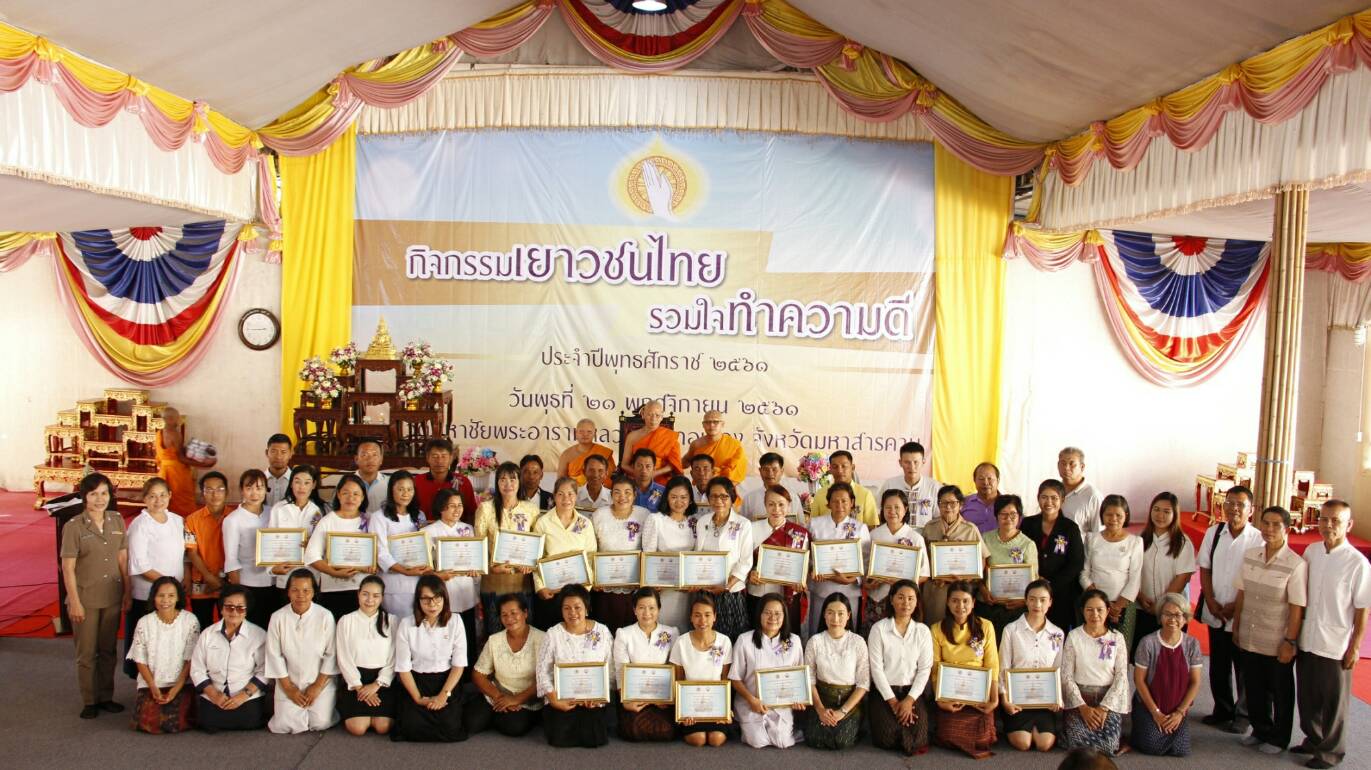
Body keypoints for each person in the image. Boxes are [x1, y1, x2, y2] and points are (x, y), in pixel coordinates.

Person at [1293, 499, 1370, 769]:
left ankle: (1330, 752)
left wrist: (1355, 646)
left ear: (1349, 525)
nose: (1328, 525)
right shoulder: (1312, 551)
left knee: (1333, 702)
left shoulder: (1357, 563)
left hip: (1335, 643)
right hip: (1308, 636)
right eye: (1324, 519)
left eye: (1335, 520)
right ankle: (1313, 739)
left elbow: (1362, 609)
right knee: (1307, 696)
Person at [1232, 504, 1307, 755]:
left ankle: (1279, 738)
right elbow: (1242, 593)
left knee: (1280, 691)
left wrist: (1290, 641)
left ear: (1287, 529)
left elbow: (1296, 607)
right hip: (1251, 634)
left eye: (1276, 525)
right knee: (1254, 686)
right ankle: (1260, 730)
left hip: (1277, 639)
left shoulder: (1295, 564)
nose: (1269, 529)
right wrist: (1237, 626)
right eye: (1266, 523)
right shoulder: (1251, 555)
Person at [60, 473, 130, 719]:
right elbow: (67, 568)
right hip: (85, 599)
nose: (100, 499)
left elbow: (123, 560)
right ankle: (90, 700)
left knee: (108, 650)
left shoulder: (117, 521)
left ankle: (106, 696)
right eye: (93, 494)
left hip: (112, 596)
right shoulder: (74, 526)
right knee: (87, 652)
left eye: (104, 493)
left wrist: (128, 592)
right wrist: (74, 602)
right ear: (84, 497)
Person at [1197, 484, 1262, 733]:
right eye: (1229, 503)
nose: (1234, 508)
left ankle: (1243, 715)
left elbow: (1257, 578)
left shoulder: (1257, 539)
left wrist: (1236, 606)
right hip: (1216, 609)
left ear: (1251, 510)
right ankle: (1222, 710)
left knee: (1244, 668)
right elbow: (1205, 568)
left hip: (1242, 613)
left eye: (1240, 504)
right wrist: (1210, 600)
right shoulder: (1214, 533)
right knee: (1219, 665)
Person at [393, 574, 468, 742]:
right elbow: (403, 668)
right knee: (412, 726)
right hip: (417, 681)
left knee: (450, 727)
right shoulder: (406, 624)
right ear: (418, 601)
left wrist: (443, 695)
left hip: (446, 681)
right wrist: (418, 698)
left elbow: (458, 665)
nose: (432, 604)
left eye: (437, 598)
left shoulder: (455, 621)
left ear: (444, 598)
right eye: (426, 599)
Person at [537, 584, 613, 747]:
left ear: (587, 608)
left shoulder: (602, 632)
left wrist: (599, 696)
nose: (572, 612)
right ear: (561, 610)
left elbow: (611, 668)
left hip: (592, 699)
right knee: (560, 737)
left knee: (594, 736)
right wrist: (554, 700)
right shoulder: (553, 634)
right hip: (561, 698)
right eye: (567, 608)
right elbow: (542, 671)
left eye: (577, 607)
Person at [125, 477, 186, 678]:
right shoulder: (140, 524)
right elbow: (140, 564)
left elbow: (184, 553)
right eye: (152, 496)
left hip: (173, 593)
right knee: (147, 643)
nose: (158, 501)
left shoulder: (177, 520)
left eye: (162, 495)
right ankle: (143, 682)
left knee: (169, 642)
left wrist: (180, 582)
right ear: (144, 499)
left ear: (170, 496)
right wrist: (169, 586)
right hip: (148, 594)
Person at [931, 581, 1000, 758]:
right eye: (955, 601)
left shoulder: (986, 626)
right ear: (947, 602)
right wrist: (940, 701)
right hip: (950, 694)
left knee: (983, 739)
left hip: (979, 694)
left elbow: (992, 664)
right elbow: (935, 668)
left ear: (973, 603)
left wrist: (994, 699)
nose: (960, 606)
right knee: (948, 735)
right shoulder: (937, 629)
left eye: (965, 601)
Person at [265, 569, 338, 733]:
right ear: (288, 592)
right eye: (295, 590)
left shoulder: (325, 616)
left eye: (306, 590)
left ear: (314, 592)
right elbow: (274, 655)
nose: (301, 595)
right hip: (288, 681)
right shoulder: (278, 617)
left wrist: (317, 686)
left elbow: (331, 654)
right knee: (284, 725)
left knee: (320, 723)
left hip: (320, 681)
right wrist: (289, 688)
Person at [1130, 592, 1203, 756]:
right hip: (1149, 705)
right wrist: (1155, 712)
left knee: (1181, 750)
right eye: (1167, 614)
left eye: (1178, 615)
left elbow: (1195, 682)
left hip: (1177, 708)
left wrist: (1180, 712)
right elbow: (1139, 680)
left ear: (1185, 618)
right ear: (1160, 617)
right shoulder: (1147, 642)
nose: (1172, 619)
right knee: (1151, 746)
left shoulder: (1192, 644)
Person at [731, 593, 807, 748]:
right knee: (758, 742)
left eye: (778, 613)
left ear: (784, 616)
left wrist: (800, 698)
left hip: (782, 705)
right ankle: (744, 727)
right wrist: (751, 700)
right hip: (751, 703)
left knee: (782, 742)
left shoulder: (794, 641)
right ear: (760, 614)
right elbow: (735, 678)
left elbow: (799, 677)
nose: (773, 617)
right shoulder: (745, 640)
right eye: (768, 613)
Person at [867, 580, 933, 756]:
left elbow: (925, 669)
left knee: (919, 738)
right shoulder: (878, 629)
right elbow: (876, 669)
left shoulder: (922, 631)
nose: (906, 603)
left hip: (912, 692)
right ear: (891, 600)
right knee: (886, 738)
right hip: (885, 692)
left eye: (911, 598)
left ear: (917, 602)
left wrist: (909, 701)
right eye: (901, 597)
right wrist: (894, 702)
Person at [475, 461, 541, 636]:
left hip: (522, 583)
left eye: (512, 479)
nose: (508, 484)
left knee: (524, 634)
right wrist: (491, 568)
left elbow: (538, 545)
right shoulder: (485, 509)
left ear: (519, 482)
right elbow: (478, 547)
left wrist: (531, 564)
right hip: (493, 583)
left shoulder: (531, 509)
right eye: (503, 479)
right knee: (495, 635)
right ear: (497, 482)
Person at [127, 576, 200, 733]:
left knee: (177, 723)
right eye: (161, 595)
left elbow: (191, 660)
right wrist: (153, 686)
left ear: (178, 597)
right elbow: (140, 659)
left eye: (171, 595)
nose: (165, 600)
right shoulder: (144, 622)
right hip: (152, 683)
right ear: (153, 597)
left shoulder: (190, 620)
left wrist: (175, 689)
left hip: (181, 683)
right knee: (149, 723)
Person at [1061, 589, 1130, 756]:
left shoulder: (1117, 638)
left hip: (1108, 701)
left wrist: (1104, 708)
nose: (1095, 615)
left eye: (1100, 609)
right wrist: (1083, 707)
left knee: (1109, 746)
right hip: (1080, 700)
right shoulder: (1074, 636)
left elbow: (1121, 676)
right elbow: (1066, 676)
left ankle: (1113, 740)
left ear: (1108, 610)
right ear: (1082, 611)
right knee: (1078, 744)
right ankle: (1069, 734)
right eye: (1089, 610)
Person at [999, 579, 1065, 752]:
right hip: (1016, 700)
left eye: (1043, 600)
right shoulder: (1011, 630)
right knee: (1023, 743)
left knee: (1044, 745)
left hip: (1044, 701)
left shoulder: (1057, 633)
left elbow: (1058, 669)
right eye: (1032, 599)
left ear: (1050, 602)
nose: (1037, 604)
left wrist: (1057, 698)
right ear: (1026, 601)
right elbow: (1003, 668)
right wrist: (1005, 701)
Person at [467, 593, 546, 737]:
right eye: (504, 615)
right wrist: (499, 697)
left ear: (525, 613)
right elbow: (478, 674)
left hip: (527, 697)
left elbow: (545, 678)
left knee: (514, 727)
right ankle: (500, 709)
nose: (509, 619)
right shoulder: (494, 640)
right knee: (471, 723)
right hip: (498, 693)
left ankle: (502, 713)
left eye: (514, 613)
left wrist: (516, 700)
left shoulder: (542, 638)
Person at [190, 585, 268, 732]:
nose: (234, 612)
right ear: (221, 609)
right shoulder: (207, 634)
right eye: (229, 607)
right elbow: (197, 669)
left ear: (246, 610)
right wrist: (214, 694)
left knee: (250, 722)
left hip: (246, 695)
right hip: (214, 693)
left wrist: (243, 696)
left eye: (240, 608)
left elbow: (264, 670)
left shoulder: (259, 635)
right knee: (208, 723)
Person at [307, 474, 378, 619]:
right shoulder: (327, 521)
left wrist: (375, 565)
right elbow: (312, 556)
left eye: (356, 494)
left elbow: (380, 553)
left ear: (363, 497)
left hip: (364, 590)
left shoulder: (371, 520)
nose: (351, 498)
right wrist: (334, 572)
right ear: (338, 494)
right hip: (333, 590)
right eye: (346, 493)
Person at [691, 476, 755, 639]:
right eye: (713, 496)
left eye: (724, 496)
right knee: (706, 635)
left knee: (731, 636)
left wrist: (727, 586)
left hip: (731, 592)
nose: (718, 501)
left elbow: (746, 561)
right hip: (705, 592)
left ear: (732, 498)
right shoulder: (702, 522)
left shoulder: (743, 524)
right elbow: (697, 555)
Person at [612, 587, 679, 741]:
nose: (647, 613)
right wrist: (625, 701)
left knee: (666, 730)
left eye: (652, 608)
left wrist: (669, 698)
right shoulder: (624, 634)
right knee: (634, 731)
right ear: (634, 610)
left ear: (659, 609)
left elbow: (676, 669)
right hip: (634, 696)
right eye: (641, 607)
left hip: (662, 698)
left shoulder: (671, 633)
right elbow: (620, 670)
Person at [803, 594, 869, 749]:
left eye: (841, 613)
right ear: (824, 615)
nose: (835, 618)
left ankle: (856, 725)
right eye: (830, 613)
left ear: (848, 615)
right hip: (822, 699)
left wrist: (842, 712)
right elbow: (809, 678)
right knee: (814, 738)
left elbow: (863, 683)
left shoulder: (858, 642)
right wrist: (820, 709)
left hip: (848, 702)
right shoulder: (815, 641)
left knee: (842, 740)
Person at [532, 477, 599, 629]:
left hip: (579, 593)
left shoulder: (585, 523)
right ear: (554, 496)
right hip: (552, 593)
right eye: (561, 494)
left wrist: (585, 589)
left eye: (570, 494)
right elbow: (536, 558)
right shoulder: (543, 523)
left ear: (576, 496)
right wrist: (540, 587)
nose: (566, 499)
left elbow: (591, 556)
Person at [669, 593, 733, 747]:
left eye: (707, 615)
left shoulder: (724, 641)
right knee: (698, 739)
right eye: (697, 615)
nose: (702, 621)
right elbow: (677, 680)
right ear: (691, 617)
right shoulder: (681, 642)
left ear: (715, 617)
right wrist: (682, 710)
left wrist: (726, 709)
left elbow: (726, 680)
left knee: (716, 739)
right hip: (690, 706)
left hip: (716, 705)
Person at [335, 576, 396, 736]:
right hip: (356, 680)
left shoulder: (391, 621)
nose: (370, 600)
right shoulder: (346, 620)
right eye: (365, 594)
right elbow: (343, 658)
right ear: (358, 594)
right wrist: (359, 687)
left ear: (382, 598)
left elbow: (394, 657)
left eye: (376, 596)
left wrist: (377, 684)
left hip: (383, 681)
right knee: (358, 728)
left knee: (383, 727)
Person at [1023, 479, 1086, 632]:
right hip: (1033, 590)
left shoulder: (1070, 527)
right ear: (1038, 498)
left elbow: (1076, 563)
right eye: (1044, 497)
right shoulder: (1027, 523)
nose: (1049, 502)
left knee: (1057, 635)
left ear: (1062, 500)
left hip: (1062, 593)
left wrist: (1050, 584)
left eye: (1054, 498)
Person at [808, 482, 871, 635]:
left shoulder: (860, 528)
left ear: (852, 503)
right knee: (818, 631)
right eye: (835, 501)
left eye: (844, 501)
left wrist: (852, 579)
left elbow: (866, 561)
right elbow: (807, 555)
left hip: (849, 590)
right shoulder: (814, 524)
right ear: (828, 503)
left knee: (848, 633)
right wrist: (812, 570)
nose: (840, 505)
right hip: (821, 588)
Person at [1136, 491, 1196, 652]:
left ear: (1175, 515)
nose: (1160, 515)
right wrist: (1140, 596)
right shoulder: (1142, 539)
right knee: (1143, 655)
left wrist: (1161, 604)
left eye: (1166, 511)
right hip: (1143, 607)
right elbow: (1133, 572)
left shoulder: (1182, 542)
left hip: (1172, 611)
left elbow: (1182, 577)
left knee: (1169, 655)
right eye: (1156, 509)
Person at [423, 488, 481, 654]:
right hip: (444, 590)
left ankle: (468, 668)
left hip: (466, 589)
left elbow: (475, 557)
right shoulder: (429, 531)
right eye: (452, 506)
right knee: (446, 638)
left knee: (467, 637)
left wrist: (476, 572)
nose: (457, 510)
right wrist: (438, 575)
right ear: (441, 508)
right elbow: (424, 568)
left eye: (460, 505)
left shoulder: (468, 529)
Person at [1081, 494, 1142, 649]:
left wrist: (1117, 606)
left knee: (1120, 651)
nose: (1113, 519)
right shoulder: (1092, 538)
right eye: (1108, 514)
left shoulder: (1135, 542)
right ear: (1102, 515)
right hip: (1094, 604)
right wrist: (1101, 602)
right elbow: (1084, 573)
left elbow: (1135, 578)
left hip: (1123, 606)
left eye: (1118, 515)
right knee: (1092, 649)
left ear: (1126, 516)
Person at [864, 490, 930, 634]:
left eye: (897, 507)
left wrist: (901, 583)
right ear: (882, 510)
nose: (892, 511)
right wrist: (869, 582)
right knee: (876, 636)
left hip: (905, 601)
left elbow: (924, 573)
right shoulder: (874, 535)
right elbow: (865, 567)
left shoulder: (915, 538)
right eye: (887, 507)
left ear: (905, 509)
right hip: (877, 597)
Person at [748, 485, 811, 634]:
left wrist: (801, 581)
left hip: (788, 594)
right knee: (759, 635)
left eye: (781, 504)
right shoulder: (751, 529)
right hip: (759, 592)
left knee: (787, 636)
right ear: (765, 505)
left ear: (789, 506)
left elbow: (804, 565)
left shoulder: (800, 533)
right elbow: (743, 560)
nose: (776, 509)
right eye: (771, 504)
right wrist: (750, 573)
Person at [264, 464, 326, 614]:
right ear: (291, 483)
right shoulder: (279, 509)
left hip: (311, 573)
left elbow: (325, 545)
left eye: (307, 482)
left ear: (314, 485)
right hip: (285, 573)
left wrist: (314, 544)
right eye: (297, 481)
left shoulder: (319, 510)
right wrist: (272, 569)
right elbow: (269, 542)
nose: (301, 487)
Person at [592, 476, 651, 631]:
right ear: (611, 494)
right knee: (605, 630)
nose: (622, 497)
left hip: (633, 587)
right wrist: (593, 578)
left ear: (635, 494)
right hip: (604, 587)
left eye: (627, 492)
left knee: (631, 632)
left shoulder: (644, 515)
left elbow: (648, 549)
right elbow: (592, 548)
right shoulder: (599, 514)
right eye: (617, 492)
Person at [921, 485, 984, 624]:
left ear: (961, 505)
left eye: (953, 503)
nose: (948, 507)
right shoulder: (929, 527)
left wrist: (966, 579)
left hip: (960, 589)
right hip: (935, 589)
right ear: (938, 505)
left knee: (958, 626)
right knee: (934, 625)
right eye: (943, 503)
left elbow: (982, 559)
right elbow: (922, 559)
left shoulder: (970, 529)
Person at [644, 475, 698, 630]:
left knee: (686, 631)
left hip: (688, 591)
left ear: (690, 499)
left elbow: (698, 555)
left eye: (683, 497)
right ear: (666, 497)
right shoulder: (655, 519)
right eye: (674, 497)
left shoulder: (695, 521)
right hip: (663, 590)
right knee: (663, 632)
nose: (678, 501)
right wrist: (654, 584)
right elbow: (648, 556)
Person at [981, 494, 1039, 637]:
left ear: (1019, 516)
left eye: (1013, 514)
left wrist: (1023, 601)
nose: (1008, 518)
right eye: (1003, 514)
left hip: (1017, 607)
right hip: (989, 604)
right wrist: (983, 590)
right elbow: (979, 571)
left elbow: (1034, 579)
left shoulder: (1028, 544)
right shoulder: (985, 538)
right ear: (996, 516)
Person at [371, 470, 427, 617]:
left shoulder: (419, 515)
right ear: (391, 490)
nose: (405, 494)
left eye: (410, 489)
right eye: (400, 489)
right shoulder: (379, 517)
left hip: (418, 581)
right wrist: (405, 571)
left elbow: (426, 547)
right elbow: (380, 553)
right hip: (393, 584)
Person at [224, 470, 275, 629]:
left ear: (266, 489)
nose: (254, 493)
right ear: (242, 490)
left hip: (274, 581)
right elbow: (231, 559)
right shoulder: (233, 520)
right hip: (248, 584)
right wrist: (239, 592)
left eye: (259, 488)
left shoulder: (273, 513)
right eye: (249, 488)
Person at [184, 471, 230, 627]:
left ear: (227, 492)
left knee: (229, 625)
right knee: (202, 626)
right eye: (209, 490)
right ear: (202, 493)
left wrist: (220, 580)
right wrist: (209, 577)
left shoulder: (234, 517)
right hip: (201, 581)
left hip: (227, 581)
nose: (214, 494)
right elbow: (191, 552)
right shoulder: (192, 520)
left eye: (219, 489)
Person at [155, 407, 214, 516]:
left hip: (164, 472)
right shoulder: (175, 433)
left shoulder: (159, 433)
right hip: (177, 473)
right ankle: (186, 522)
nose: (179, 420)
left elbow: (169, 454)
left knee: (168, 499)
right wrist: (203, 464)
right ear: (170, 419)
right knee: (182, 500)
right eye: (177, 418)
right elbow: (181, 458)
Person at [411, 438, 477, 522]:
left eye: (444, 456)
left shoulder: (463, 482)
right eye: (435, 456)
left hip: (455, 529)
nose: (439, 461)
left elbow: (471, 513)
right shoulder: (417, 481)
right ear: (427, 458)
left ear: (451, 458)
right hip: (423, 528)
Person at [879, 441, 941, 528]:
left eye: (916, 462)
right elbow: (879, 513)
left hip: (925, 534)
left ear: (923, 462)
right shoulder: (890, 485)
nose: (912, 467)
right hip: (895, 534)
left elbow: (939, 518)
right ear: (900, 462)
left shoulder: (934, 487)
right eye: (907, 462)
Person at [811, 451, 879, 527]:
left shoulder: (865, 494)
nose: (839, 471)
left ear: (852, 468)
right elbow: (813, 525)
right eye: (835, 467)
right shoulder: (820, 493)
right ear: (830, 469)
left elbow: (871, 527)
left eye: (844, 466)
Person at [622, 399, 683, 484]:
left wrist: (655, 473)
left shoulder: (669, 436)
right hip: (637, 478)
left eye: (657, 415)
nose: (653, 419)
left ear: (661, 417)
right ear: (643, 414)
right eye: (649, 414)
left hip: (660, 478)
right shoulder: (632, 436)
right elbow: (624, 465)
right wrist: (640, 474)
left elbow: (674, 464)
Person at [686, 410, 747, 485]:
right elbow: (685, 462)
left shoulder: (735, 445)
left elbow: (736, 474)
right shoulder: (696, 444)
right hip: (701, 489)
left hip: (724, 489)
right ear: (703, 425)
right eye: (708, 422)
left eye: (715, 422)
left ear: (722, 424)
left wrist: (718, 488)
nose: (711, 425)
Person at [741, 453, 803, 521]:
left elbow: (801, 524)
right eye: (766, 469)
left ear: (782, 471)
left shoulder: (793, 497)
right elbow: (743, 525)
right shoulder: (749, 499)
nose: (770, 473)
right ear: (760, 471)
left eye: (774, 469)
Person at [559, 418, 617, 486]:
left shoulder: (604, 452)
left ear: (595, 433)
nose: (585, 434)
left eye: (589, 431)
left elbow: (611, 477)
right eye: (581, 431)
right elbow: (561, 481)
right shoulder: (566, 454)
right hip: (575, 491)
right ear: (575, 432)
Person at [1059, 447, 1103, 534]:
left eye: (1072, 464)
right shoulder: (1054, 490)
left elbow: (1099, 533)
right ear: (1058, 465)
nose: (1066, 468)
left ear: (1082, 467)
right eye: (1063, 463)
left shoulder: (1093, 496)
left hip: (1079, 543)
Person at [353, 438, 391, 514]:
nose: (370, 459)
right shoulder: (346, 483)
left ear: (381, 459)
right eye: (365, 455)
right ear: (356, 459)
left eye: (375, 455)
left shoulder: (390, 483)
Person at [961, 462, 1000, 533]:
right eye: (981, 479)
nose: (985, 482)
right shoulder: (964, 502)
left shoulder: (1008, 504)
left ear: (998, 480)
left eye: (990, 478)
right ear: (974, 480)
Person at [262, 433, 293, 509]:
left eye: (283, 452)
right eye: (274, 451)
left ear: (291, 454)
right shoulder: (258, 480)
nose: (278, 457)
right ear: (267, 453)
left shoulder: (296, 480)